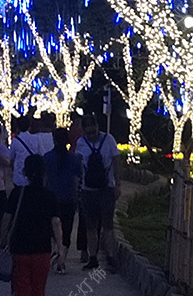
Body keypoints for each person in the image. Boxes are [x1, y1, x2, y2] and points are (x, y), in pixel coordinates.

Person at [0, 155, 63, 296]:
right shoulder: (49, 196)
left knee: (21, 289)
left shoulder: (17, 193)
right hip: (42, 250)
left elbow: (6, 218)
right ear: (44, 172)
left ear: (25, 172)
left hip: (20, 249)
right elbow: (56, 222)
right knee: (38, 290)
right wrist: (60, 248)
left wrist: (3, 238)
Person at [75, 114, 121, 272]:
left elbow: (116, 161)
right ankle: (93, 257)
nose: (91, 135)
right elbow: (78, 165)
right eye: (88, 132)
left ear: (97, 127)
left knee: (107, 226)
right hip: (89, 190)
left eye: (92, 132)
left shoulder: (108, 140)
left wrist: (117, 184)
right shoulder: (82, 143)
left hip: (105, 188)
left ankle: (111, 258)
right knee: (90, 227)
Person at [44, 127, 83, 274]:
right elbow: (76, 180)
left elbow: (44, 179)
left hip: (51, 199)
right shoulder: (74, 159)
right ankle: (61, 261)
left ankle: (55, 252)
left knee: (51, 231)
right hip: (68, 198)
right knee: (66, 231)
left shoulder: (47, 157)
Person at [9, 115, 36, 189]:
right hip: (32, 174)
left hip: (19, 175)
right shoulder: (35, 139)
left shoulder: (15, 140)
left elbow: (11, 157)